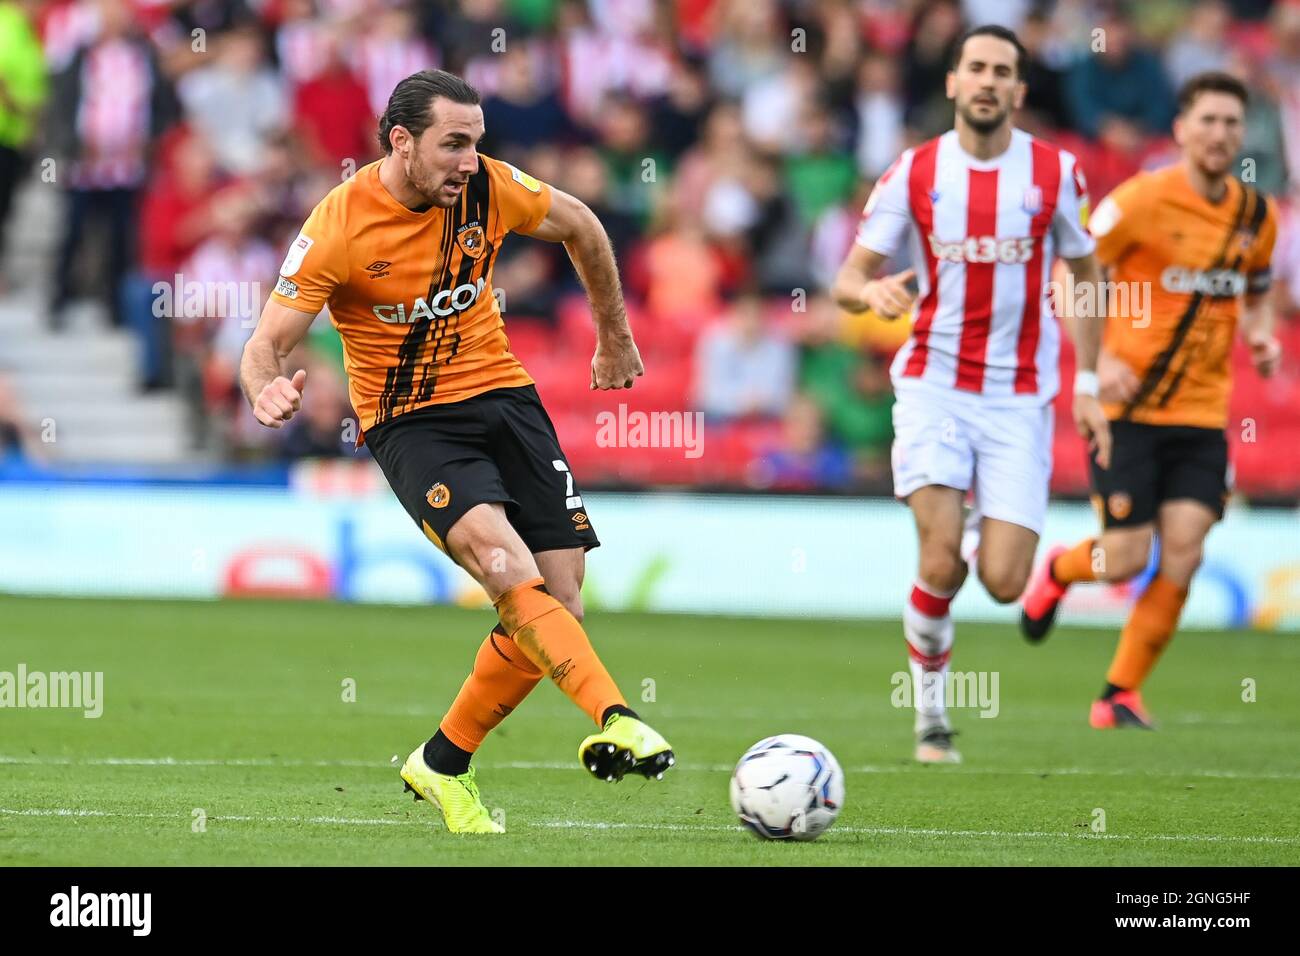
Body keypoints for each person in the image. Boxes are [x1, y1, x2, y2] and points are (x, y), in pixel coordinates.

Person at [239, 70, 673, 834]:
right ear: (401, 141)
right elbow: (263, 345)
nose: (470, 160)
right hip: (412, 422)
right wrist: (264, 388)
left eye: (476, 143)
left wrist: (615, 333)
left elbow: (583, 226)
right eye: (453, 144)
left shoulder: (488, 188)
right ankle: (617, 715)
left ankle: (441, 763)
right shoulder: (340, 225)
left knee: (561, 597)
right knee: (510, 572)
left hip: (504, 397)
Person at [833, 25, 1109, 764]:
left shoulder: (1056, 174)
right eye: (976, 68)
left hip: (1019, 398)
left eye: (1003, 72)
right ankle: (931, 720)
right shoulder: (915, 172)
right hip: (934, 386)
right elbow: (846, 280)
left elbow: (1087, 274)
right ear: (953, 83)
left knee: (1003, 581)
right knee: (940, 554)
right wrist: (874, 292)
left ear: (1019, 91)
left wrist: (1087, 380)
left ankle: (1002, 545)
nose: (989, 81)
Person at [1020, 72, 1279, 730]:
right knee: (1126, 556)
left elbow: (1254, 289)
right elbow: (1071, 271)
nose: (1220, 134)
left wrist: (1259, 334)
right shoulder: (1138, 202)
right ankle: (1058, 569)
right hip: (1128, 408)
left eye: (1230, 123)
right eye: (1208, 121)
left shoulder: (1256, 216)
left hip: (1201, 414)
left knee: (1185, 551)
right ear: (1181, 131)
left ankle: (1118, 694)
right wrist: (1100, 360)